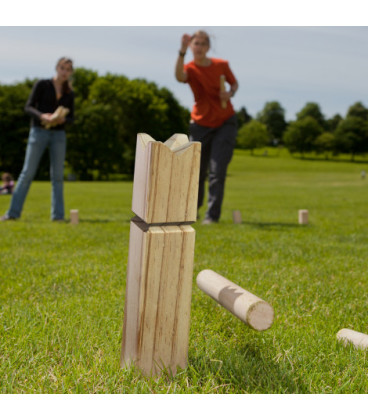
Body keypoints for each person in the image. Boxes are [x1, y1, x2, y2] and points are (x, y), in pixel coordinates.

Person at [175, 30, 238, 224]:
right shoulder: (190, 68)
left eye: (203, 43)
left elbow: (234, 84)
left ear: (208, 47)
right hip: (200, 124)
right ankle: (192, 213)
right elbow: (179, 77)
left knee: (217, 171)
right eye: (196, 43)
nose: (199, 47)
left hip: (224, 122)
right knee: (196, 172)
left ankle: (212, 216)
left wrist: (229, 93)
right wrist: (182, 52)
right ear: (191, 46)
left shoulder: (221, 65)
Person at [1, 57, 74, 221]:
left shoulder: (69, 93)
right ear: (57, 68)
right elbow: (28, 107)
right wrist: (42, 116)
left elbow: (72, 118)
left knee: (57, 176)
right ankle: (13, 213)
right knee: (27, 173)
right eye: (63, 68)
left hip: (59, 135)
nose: (65, 72)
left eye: (68, 69)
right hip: (38, 131)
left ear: (70, 73)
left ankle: (58, 216)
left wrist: (63, 119)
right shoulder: (42, 85)